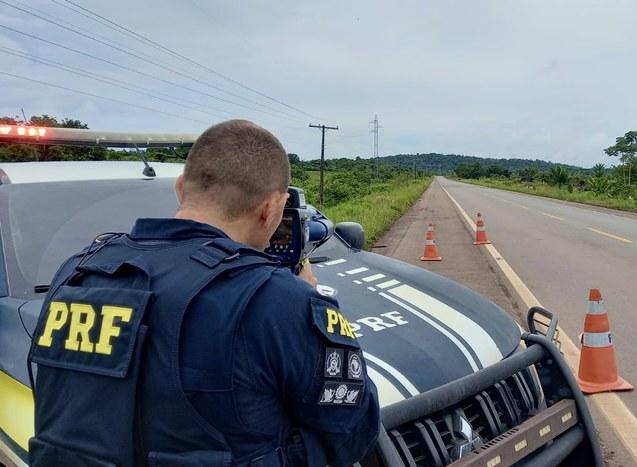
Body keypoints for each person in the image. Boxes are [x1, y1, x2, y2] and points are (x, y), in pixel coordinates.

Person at [28, 120, 380, 466]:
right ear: (272, 207)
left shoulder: (77, 272)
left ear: (180, 188)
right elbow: (351, 431)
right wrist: (308, 296)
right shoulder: (281, 301)